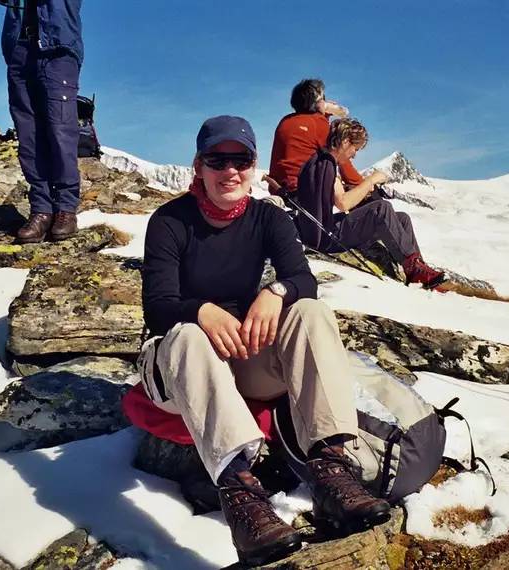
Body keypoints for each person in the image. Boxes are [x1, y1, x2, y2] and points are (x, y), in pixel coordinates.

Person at [140, 115, 390, 566]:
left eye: (242, 159)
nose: (230, 170)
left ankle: (330, 468)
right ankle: (240, 494)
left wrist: (278, 292)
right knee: (188, 337)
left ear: (255, 167)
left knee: (310, 312)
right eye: (218, 159)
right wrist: (200, 310)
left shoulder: (268, 218)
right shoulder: (169, 221)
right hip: (177, 368)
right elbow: (157, 308)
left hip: (240, 360)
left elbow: (302, 280)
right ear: (198, 165)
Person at [297, 117, 446, 290]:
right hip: (324, 237)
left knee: (402, 219)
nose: (354, 154)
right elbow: (343, 203)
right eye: (355, 148)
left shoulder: (320, 161)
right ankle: (414, 269)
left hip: (318, 229)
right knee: (382, 208)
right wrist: (370, 181)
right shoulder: (327, 164)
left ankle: (419, 269)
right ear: (345, 142)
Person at [0, 0, 83, 243]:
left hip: (57, 49)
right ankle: (41, 210)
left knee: (60, 131)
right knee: (28, 136)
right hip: (19, 49)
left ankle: (66, 209)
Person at [269, 78, 365, 195]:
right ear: (317, 103)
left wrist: (324, 116)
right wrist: (363, 184)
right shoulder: (317, 123)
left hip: (278, 189)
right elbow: (340, 156)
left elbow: (311, 137)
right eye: (323, 98)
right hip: (303, 192)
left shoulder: (285, 121)